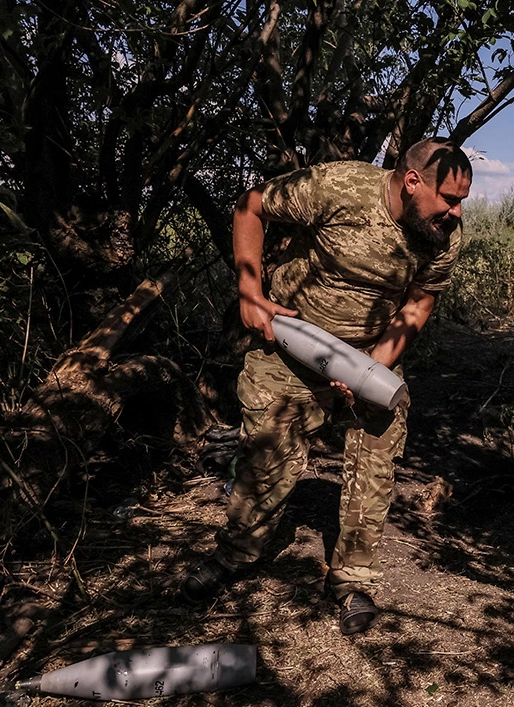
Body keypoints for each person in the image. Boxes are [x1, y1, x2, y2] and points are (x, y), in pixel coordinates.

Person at [181, 139, 472, 635]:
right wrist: (249, 290)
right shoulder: (338, 187)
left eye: (463, 199)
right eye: (449, 197)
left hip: (369, 361)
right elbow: (251, 206)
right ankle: (235, 555)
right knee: (264, 461)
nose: (456, 211)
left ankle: (352, 579)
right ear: (412, 180)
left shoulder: (442, 234)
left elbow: (417, 306)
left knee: (377, 464)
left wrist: (368, 370)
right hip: (290, 350)